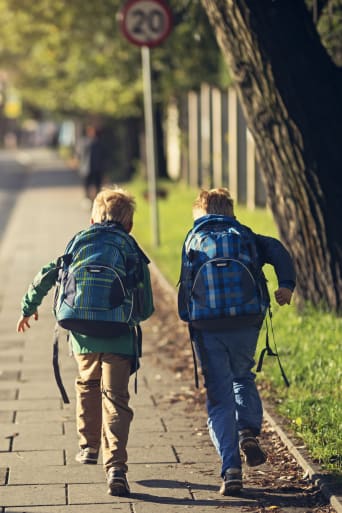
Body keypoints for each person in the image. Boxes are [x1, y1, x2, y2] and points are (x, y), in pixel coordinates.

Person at [16, 186, 154, 497]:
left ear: (93, 218)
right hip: (119, 335)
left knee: (87, 385)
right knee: (116, 399)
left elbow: (48, 273)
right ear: (128, 224)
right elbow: (145, 301)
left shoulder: (80, 240)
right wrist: (135, 317)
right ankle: (116, 466)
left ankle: (89, 445)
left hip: (81, 332)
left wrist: (28, 307)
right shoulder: (130, 246)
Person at [178, 188, 296, 496]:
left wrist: (188, 317)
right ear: (230, 210)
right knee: (243, 376)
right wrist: (286, 286)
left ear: (200, 214)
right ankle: (247, 430)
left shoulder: (194, 237)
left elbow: (185, 285)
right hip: (246, 320)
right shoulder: (244, 233)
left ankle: (231, 469)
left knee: (219, 394)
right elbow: (278, 250)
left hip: (207, 325)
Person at [79, 126, 107, 202]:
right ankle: (87, 198)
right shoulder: (84, 142)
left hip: (97, 168)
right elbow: (80, 154)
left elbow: (104, 156)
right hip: (86, 167)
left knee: (97, 186)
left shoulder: (99, 143)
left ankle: (96, 200)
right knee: (87, 186)